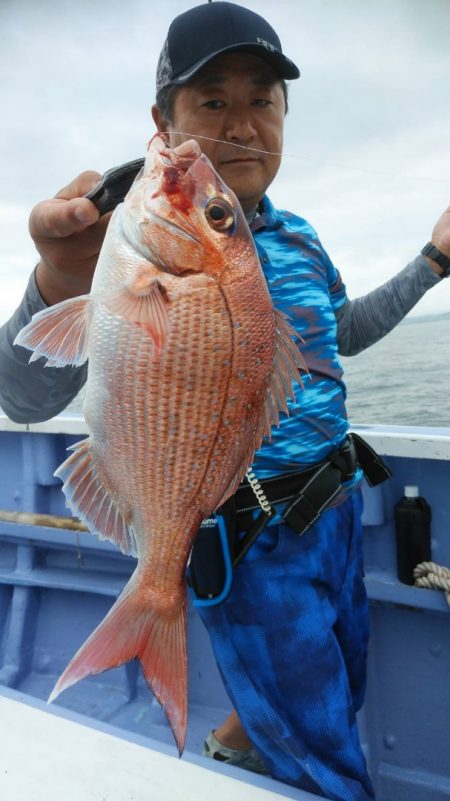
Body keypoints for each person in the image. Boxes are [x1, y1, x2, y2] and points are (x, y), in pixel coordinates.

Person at [1, 3, 449, 799]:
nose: (241, 125)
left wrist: (433, 261)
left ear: (286, 115)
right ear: (162, 121)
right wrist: (57, 283)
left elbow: (341, 333)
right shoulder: (117, 244)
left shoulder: (304, 236)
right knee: (324, 761)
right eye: (213, 101)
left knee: (341, 687)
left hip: (337, 513)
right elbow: (24, 396)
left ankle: (240, 737)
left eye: (262, 99)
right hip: (247, 541)